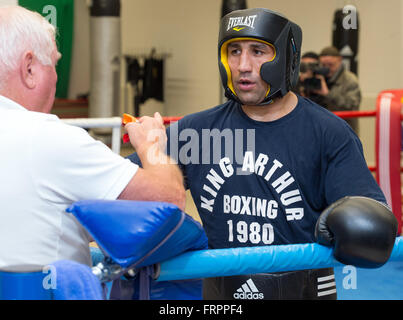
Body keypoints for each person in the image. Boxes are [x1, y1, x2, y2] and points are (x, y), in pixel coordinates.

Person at [128, 8, 396, 300]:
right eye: (234, 51)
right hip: (221, 295)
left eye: (258, 51)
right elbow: (123, 189)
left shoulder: (328, 133)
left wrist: (351, 222)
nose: (243, 65)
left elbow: (373, 221)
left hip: (303, 292)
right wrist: (149, 150)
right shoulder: (198, 132)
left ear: (285, 57)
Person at [0, 6, 185, 270]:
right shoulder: (50, 139)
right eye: (54, 64)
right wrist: (152, 145)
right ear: (29, 68)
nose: (55, 77)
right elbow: (169, 202)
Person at [314, 46, 361, 133]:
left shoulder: (350, 80)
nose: (327, 69)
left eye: (331, 65)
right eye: (323, 65)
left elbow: (351, 106)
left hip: (344, 131)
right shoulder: (317, 78)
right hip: (321, 130)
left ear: (340, 60)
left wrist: (328, 94)